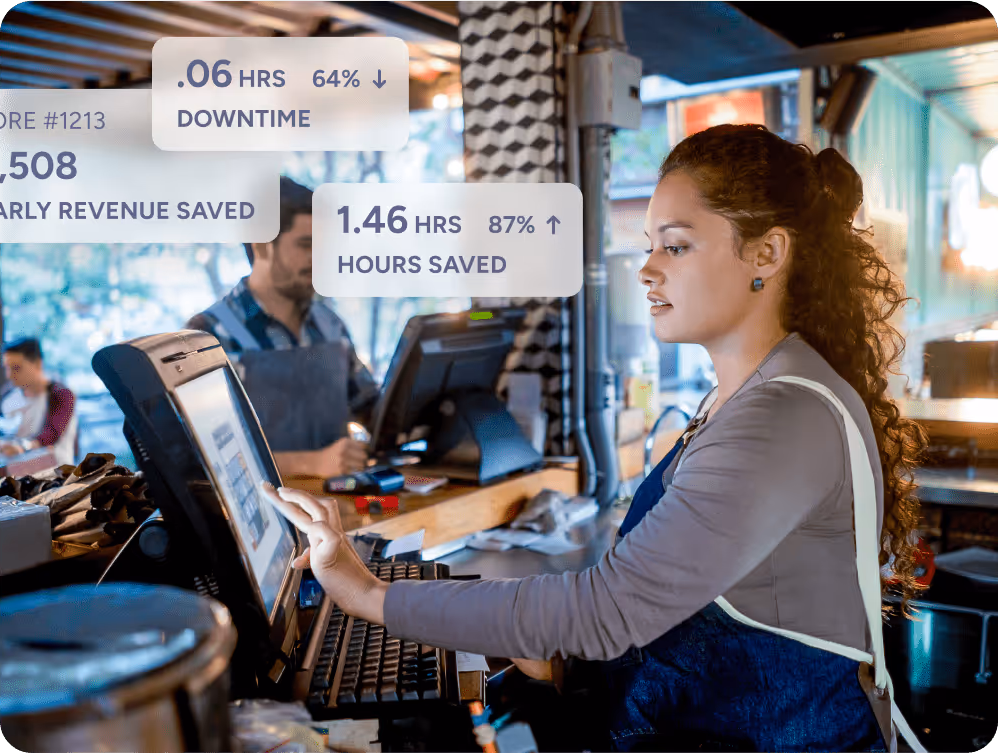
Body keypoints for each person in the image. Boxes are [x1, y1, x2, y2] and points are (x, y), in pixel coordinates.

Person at [262, 125, 930, 752]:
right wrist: (534, 639)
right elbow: (670, 608)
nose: (647, 270)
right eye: (648, 245)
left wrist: (367, 593)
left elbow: (609, 611)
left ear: (767, 253)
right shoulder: (750, 393)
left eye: (675, 244)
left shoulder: (781, 416)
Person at [187, 176, 378, 479]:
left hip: (343, 512)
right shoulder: (208, 335)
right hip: (263, 521)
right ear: (262, 246)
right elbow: (199, 456)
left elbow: (369, 407)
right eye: (307, 245)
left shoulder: (331, 325)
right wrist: (310, 465)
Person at [0, 337, 79, 466]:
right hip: (17, 472)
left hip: (56, 472)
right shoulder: (8, 398)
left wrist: (22, 447)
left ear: (37, 364)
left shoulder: (61, 394)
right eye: (7, 368)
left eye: (16, 368)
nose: (9, 375)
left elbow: (51, 434)